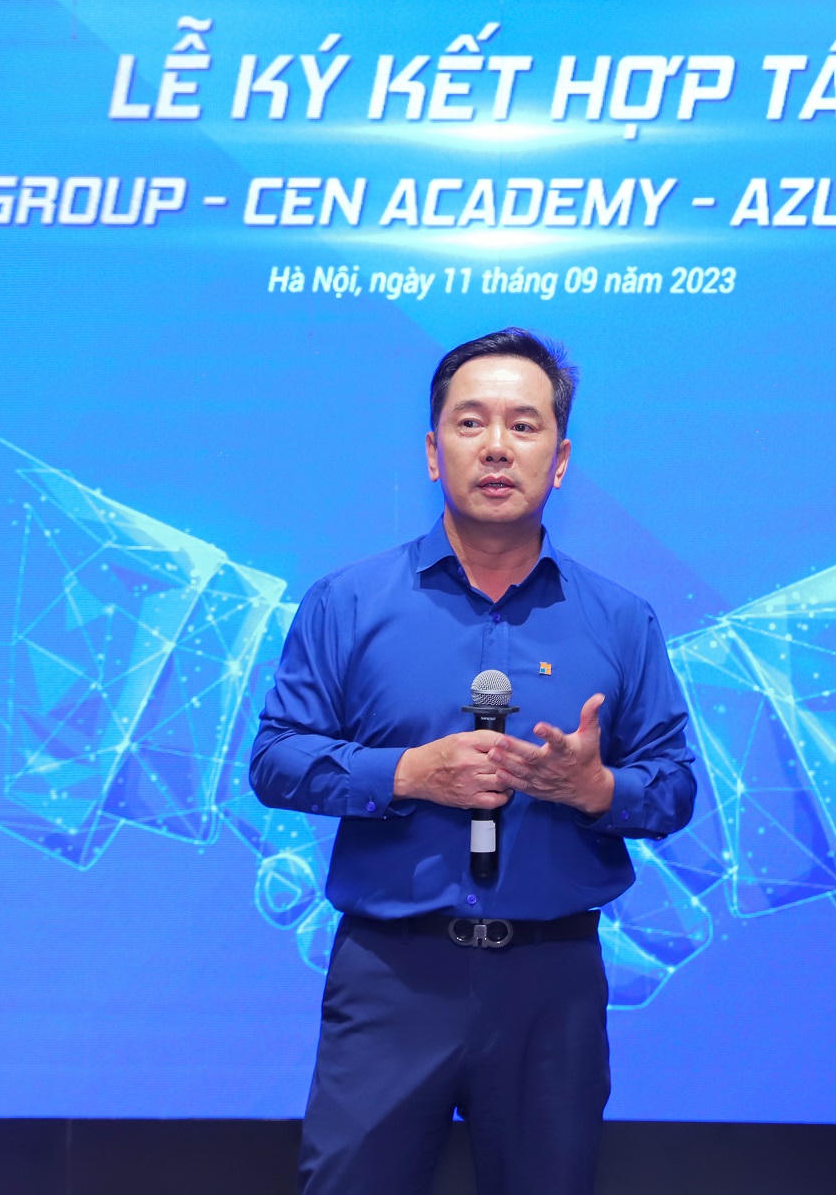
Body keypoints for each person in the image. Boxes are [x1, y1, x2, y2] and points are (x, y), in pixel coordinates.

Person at [250, 328, 697, 1195]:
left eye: (524, 425)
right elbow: (276, 758)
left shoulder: (620, 620)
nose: (497, 446)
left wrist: (596, 787)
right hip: (392, 976)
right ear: (433, 451)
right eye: (471, 422)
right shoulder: (347, 603)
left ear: (559, 459)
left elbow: (674, 785)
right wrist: (406, 774)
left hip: (552, 983)